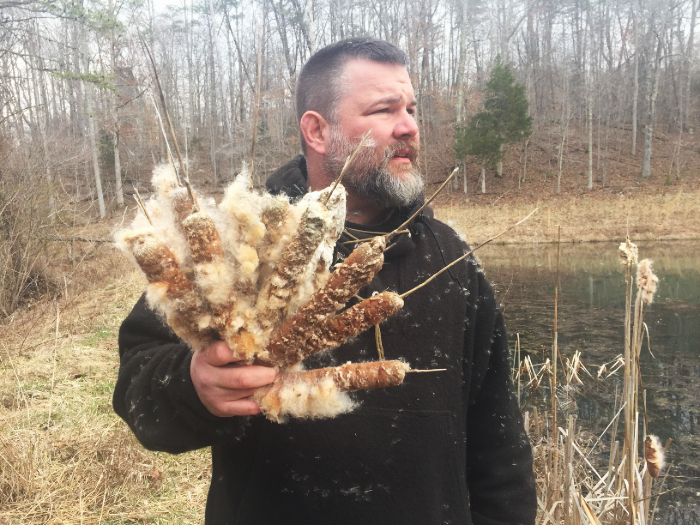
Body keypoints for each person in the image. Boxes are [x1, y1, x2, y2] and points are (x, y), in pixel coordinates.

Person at [114, 37, 536, 525]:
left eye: (411, 109)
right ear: (317, 130)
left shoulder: (452, 260)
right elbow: (137, 390)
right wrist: (194, 385)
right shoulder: (239, 244)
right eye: (384, 110)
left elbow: (498, 437)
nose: (409, 127)